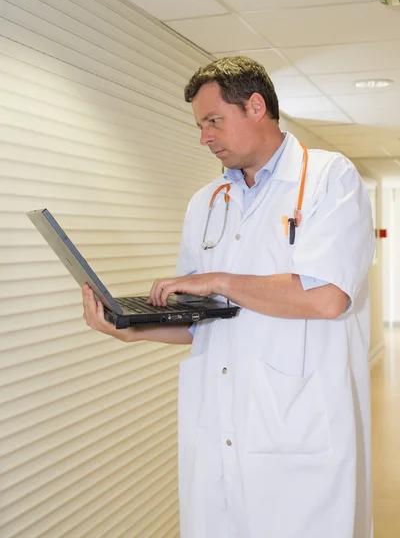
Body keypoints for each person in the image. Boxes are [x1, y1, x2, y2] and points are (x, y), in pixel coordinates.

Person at [82, 56, 375, 538]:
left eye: (213, 121)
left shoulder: (328, 179)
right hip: (218, 428)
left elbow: (327, 298)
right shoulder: (207, 202)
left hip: (300, 432)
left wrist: (217, 279)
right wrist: (132, 329)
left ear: (256, 106)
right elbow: (205, 319)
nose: (204, 137)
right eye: (200, 125)